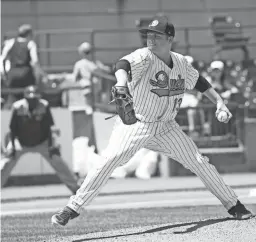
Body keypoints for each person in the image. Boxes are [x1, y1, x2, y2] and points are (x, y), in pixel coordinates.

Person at [51, 16, 254, 226]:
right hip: (137, 123)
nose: (151, 39)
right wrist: (121, 83)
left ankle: (234, 205)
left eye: (157, 35)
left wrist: (219, 101)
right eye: (149, 34)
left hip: (167, 128)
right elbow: (122, 64)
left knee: (200, 162)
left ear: (169, 38)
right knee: (109, 160)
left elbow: (200, 82)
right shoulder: (144, 57)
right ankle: (72, 208)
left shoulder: (182, 62)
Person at [1, 85, 79, 193]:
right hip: (21, 142)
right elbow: (13, 129)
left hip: (42, 141)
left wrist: (51, 146)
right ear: (25, 98)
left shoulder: (44, 105)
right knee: (6, 162)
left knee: (57, 161)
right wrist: (13, 147)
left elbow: (48, 128)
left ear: (38, 97)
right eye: (30, 99)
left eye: (34, 99)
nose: (32, 101)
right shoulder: (18, 106)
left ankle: (76, 188)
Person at [0, 24, 45, 107]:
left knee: (13, 96)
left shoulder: (11, 42)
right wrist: (39, 74)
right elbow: (35, 61)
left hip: (12, 74)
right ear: (29, 34)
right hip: (26, 74)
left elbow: (2, 58)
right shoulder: (31, 44)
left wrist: (4, 73)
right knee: (30, 96)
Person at [69, 42, 111, 109]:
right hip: (94, 88)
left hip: (88, 88)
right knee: (96, 108)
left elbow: (74, 79)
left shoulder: (79, 64)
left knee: (89, 108)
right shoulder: (96, 63)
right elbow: (108, 70)